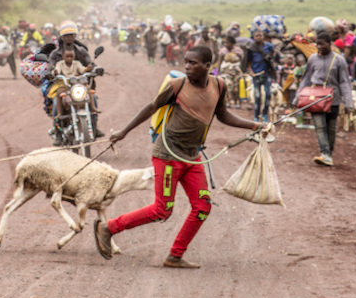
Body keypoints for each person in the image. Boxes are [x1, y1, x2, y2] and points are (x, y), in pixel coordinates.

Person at [94, 45, 270, 268]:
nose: (187, 66)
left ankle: (175, 255)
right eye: (186, 61)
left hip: (192, 156)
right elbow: (151, 107)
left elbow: (223, 115)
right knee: (162, 209)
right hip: (167, 155)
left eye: (193, 63)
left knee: (203, 206)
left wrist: (255, 125)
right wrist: (123, 132)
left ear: (208, 66)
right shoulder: (177, 86)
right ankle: (108, 227)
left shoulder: (219, 85)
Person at [292, 32, 352, 166]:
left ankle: (328, 154)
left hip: (333, 99)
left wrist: (348, 102)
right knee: (320, 126)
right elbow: (306, 79)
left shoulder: (339, 60)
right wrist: (297, 98)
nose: (319, 47)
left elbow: (344, 82)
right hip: (316, 98)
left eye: (322, 44)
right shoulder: (312, 59)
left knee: (331, 128)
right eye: (317, 44)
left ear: (329, 44)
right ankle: (325, 153)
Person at [244, 30, 276, 123]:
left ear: (263, 36)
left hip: (266, 73)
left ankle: (265, 114)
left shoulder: (269, 46)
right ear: (254, 37)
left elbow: (273, 56)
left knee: (268, 94)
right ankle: (256, 116)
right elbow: (248, 61)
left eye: (260, 35)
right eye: (256, 35)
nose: (258, 37)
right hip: (256, 74)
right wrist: (251, 71)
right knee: (257, 96)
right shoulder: (251, 47)